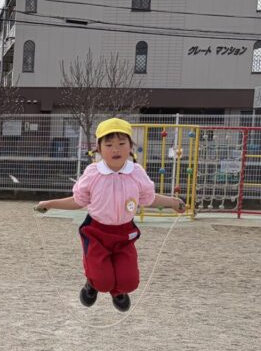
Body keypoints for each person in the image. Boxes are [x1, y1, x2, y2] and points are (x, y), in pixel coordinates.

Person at [36, 118, 185, 312]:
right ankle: (92, 284)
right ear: (99, 148)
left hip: (124, 233)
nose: (116, 149)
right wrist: (50, 204)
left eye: (122, 143)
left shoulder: (136, 173)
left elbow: (148, 198)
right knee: (103, 281)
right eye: (109, 145)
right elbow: (78, 201)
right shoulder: (93, 173)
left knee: (130, 282)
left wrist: (173, 202)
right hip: (96, 232)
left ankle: (118, 292)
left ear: (130, 146)